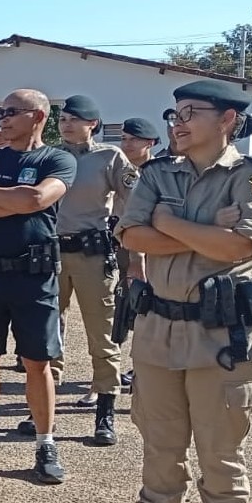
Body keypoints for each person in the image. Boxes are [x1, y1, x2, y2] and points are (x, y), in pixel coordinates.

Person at [112, 80, 252, 503]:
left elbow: (239, 245)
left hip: (222, 337)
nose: (177, 122)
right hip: (159, 330)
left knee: (220, 451)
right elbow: (131, 235)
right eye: (174, 113)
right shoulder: (158, 173)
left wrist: (169, 220)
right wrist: (195, 228)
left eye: (191, 113)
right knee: (160, 447)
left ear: (227, 119)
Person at [0, 90, 76, 483]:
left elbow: (36, 199)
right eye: (0, 112)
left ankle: (46, 444)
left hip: (35, 277)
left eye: (12, 112)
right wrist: (7, 200)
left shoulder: (56, 159)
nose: (3, 119)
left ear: (39, 116)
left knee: (38, 363)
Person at [51, 95, 138, 445]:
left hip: (92, 255)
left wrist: (122, 236)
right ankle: (41, 408)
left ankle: (104, 413)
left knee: (101, 336)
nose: (66, 124)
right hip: (50, 256)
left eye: (74, 119)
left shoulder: (109, 156)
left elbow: (135, 200)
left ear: (93, 124)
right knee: (46, 334)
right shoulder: (50, 156)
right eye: (62, 119)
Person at [114, 116, 163, 387]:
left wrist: (138, 258)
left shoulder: (159, 172)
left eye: (134, 139)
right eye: (124, 138)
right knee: (121, 311)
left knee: (146, 309)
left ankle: (140, 368)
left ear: (150, 143)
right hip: (120, 247)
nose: (127, 144)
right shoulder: (121, 169)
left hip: (147, 251)